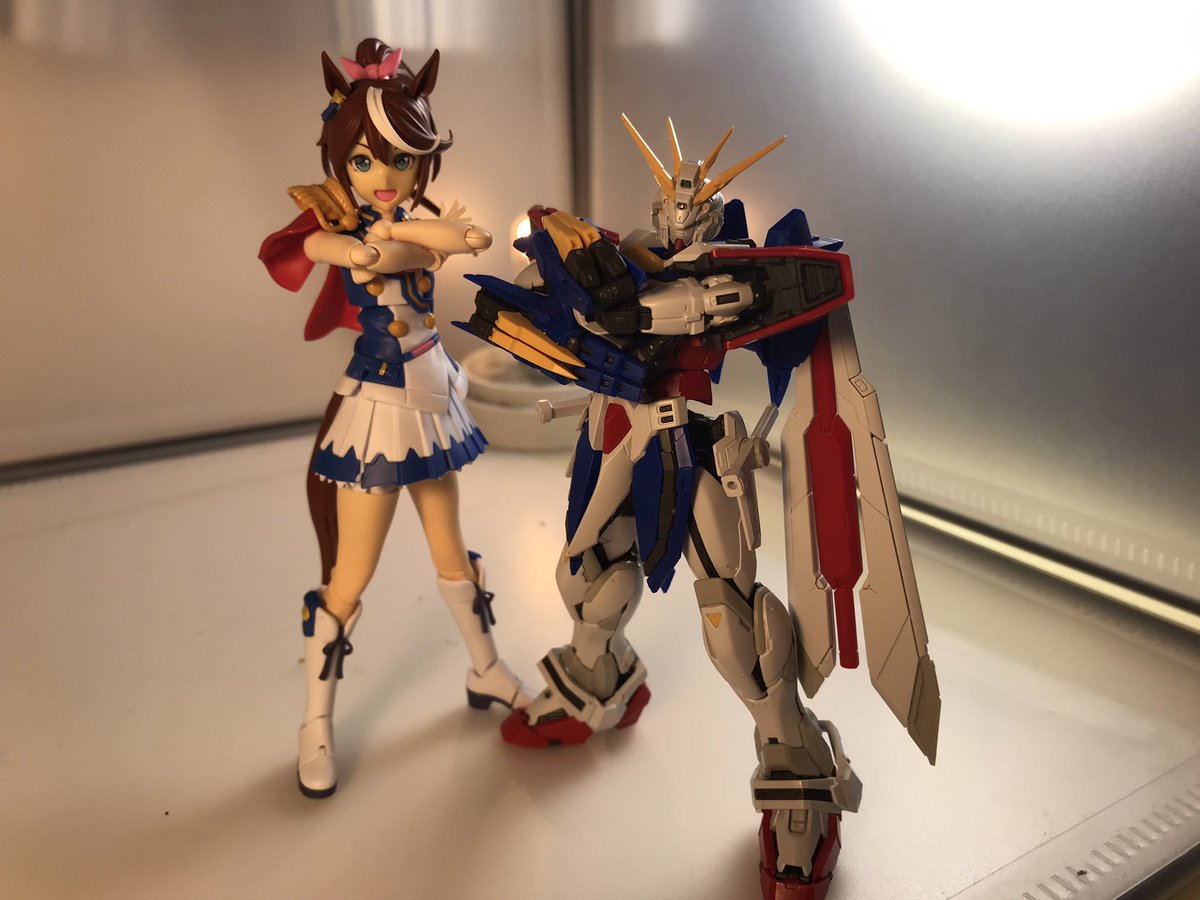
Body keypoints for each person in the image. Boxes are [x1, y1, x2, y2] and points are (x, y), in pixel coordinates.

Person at [260, 38, 530, 799]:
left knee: (453, 555)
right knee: (351, 576)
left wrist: (453, 236)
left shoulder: (408, 225)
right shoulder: (351, 231)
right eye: (364, 161)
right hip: (378, 410)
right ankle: (315, 720)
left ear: (422, 161)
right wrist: (349, 245)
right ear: (341, 163)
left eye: (401, 160)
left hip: (431, 401)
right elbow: (314, 244)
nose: (383, 177)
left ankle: (486, 669)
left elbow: (439, 241)